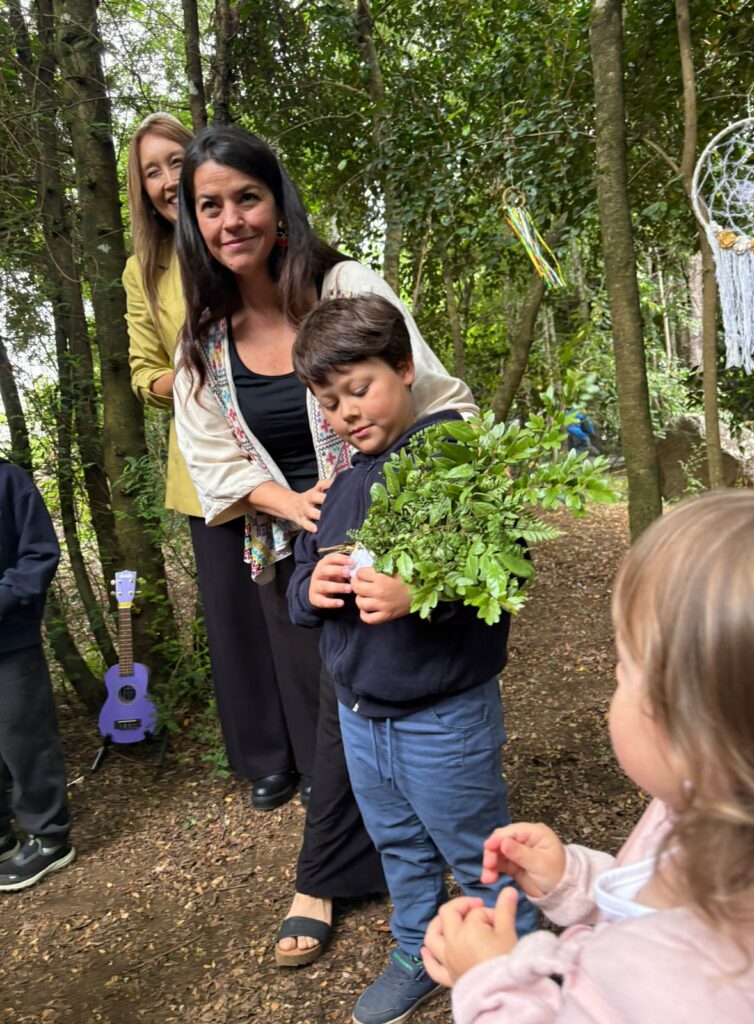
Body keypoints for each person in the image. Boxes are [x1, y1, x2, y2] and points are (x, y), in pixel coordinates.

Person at [172, 125, 478, 964]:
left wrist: (428, 517)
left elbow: (429, 388)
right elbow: (210, 456)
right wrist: (296, 506)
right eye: (210, 206)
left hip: (393, 526)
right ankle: (390, 858)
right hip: (294, 549)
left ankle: (326, 878)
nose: (231, 220)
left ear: (278, 204)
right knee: (334, 708)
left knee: (381, 696)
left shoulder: (343, 285)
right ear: (193, 222)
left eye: (247, 197)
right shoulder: (204, 336)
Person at [422, 489, 754, 1023]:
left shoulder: (697, 981)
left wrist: (490, 980)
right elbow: (649, 902)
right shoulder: (707, 805)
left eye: (627, 665)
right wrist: (575, 881)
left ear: (694, 733)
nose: (614, 673)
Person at [287, 293, 537, 1024]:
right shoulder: (341, 486)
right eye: (330, 403)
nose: (348, 413)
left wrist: (420, 589)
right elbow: (302, 573)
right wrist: (312, 587)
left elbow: (508, 567)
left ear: (402, 366)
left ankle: (523, 960)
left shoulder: (453, 458)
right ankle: (416, 949)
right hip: (360, 715)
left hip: (443, 717)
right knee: (396, 839)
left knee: (477, 847)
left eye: (359, 388)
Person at [125, 113, 299, 811]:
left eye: (176, 162)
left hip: (283, 451)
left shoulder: (250, 241)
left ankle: (321, 744)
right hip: (209, 474)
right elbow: (144, 372)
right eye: (152, 172)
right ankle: (267, 758)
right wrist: (199, 377)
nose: (167, 180)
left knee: (294, 601)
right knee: (237, 618)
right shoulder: (144, 272)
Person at [0, 460, 75, 891]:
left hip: (9, 639)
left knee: (24, 738)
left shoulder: (8, 480)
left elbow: (39, 553)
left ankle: (49, 838)